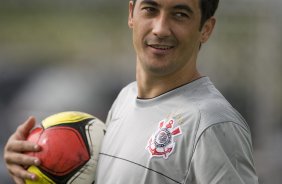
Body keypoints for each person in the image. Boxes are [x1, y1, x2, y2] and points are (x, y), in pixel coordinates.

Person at [4, 0, 259, 183]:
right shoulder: (126, 99)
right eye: (150, 9)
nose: (160, 28)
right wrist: (34, 167)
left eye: (180, 14)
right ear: (131, 14)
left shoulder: (213, 124)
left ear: (206, 29)